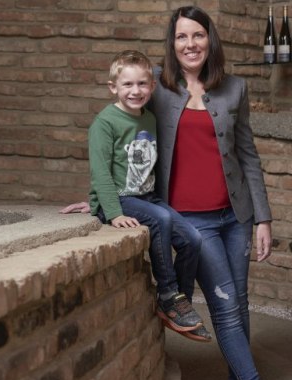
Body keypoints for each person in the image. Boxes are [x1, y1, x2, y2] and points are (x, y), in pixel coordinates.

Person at [148, 6, 292, 380]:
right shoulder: (154, 85)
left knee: (239, 305)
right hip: (193, 222)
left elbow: (247, 154)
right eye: (181, 37)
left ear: (210, 40)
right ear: (172, 44)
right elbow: (123, 135)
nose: (190, 44)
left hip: (235, 217)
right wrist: (102, 194)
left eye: (198, 35)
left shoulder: (234, 88)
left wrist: (263, 217)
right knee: (227, 310)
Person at [83, 50, 210, 342]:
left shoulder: (148, 119)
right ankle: (167, 294)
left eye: (142, 84)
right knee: (161, 219)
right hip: (120, 199)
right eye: (127, 84)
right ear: (113, 87)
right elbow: (100, 172)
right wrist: (112, 211)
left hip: (146, 197)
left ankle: (180, 302)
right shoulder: (105, 122)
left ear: (152, 86)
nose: (135, 91)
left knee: (193, 239)